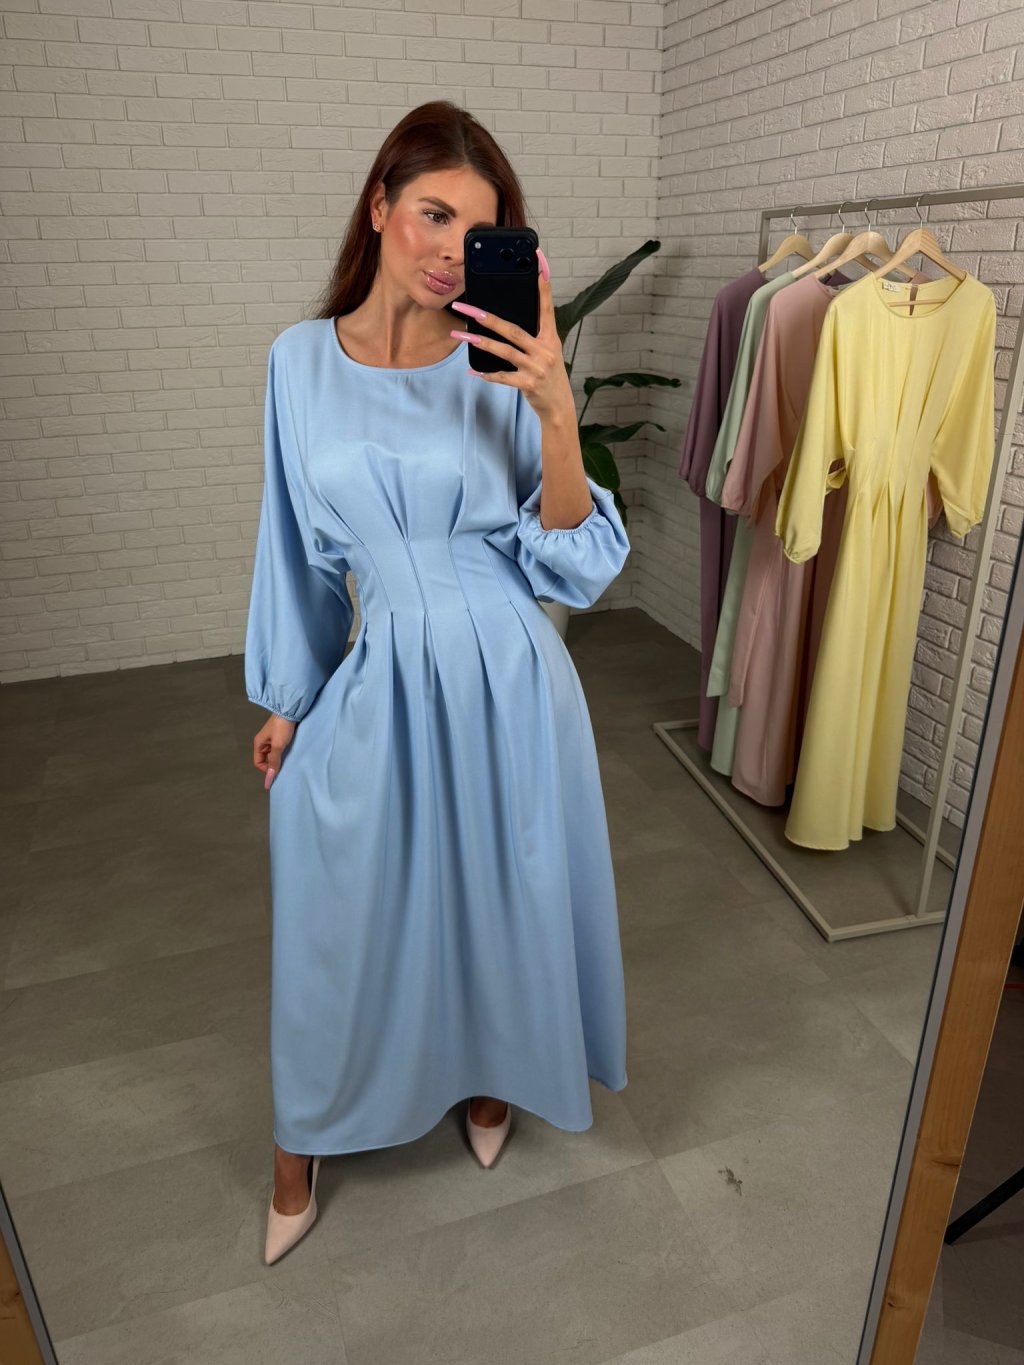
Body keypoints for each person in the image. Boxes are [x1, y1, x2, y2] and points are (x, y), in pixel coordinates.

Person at [244, 100, 631, 1264]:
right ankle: (301, 1134)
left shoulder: (500, 364)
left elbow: (574, 560)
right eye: (432, 212)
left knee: (504, 891)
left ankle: (493, 1077)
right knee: (338, 904)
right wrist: (289, 698)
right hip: (385, 669)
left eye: (479, 227)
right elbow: (293, 551)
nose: (453, 249)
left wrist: (553, 408)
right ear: (378, 206)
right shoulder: (298, 363)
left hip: (511, 671)